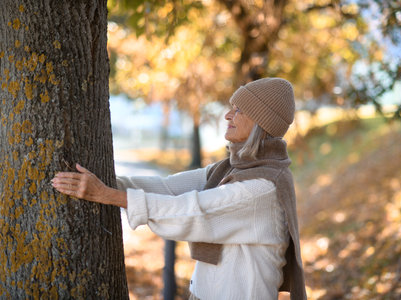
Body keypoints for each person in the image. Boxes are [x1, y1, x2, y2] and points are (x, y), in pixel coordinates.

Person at [52, 78, 307, 300]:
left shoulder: (262, 188)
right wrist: (106, 183)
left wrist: (107, 195)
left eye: (239, 110)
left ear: (261, 123)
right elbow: (167, 188)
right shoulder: (231, 169)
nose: (228, 115)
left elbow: (191, 212)